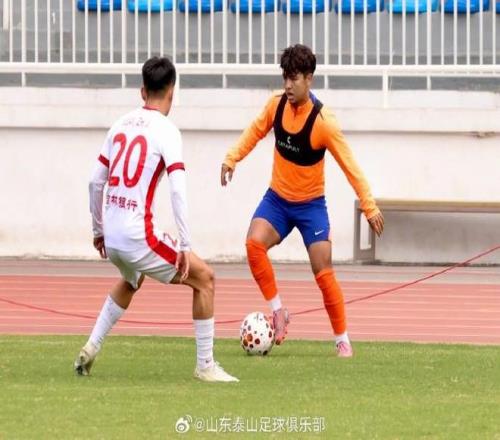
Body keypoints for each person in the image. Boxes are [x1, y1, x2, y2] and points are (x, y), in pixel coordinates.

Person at [74, 56, 238, 382]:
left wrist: (98, 231)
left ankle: (90, 347)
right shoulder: (167, 131)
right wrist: (185, 244)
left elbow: (95, 182)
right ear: (172, 92)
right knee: (205, 279)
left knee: (132, 279)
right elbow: (178, 190)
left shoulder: (119, 124)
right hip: (138, 235)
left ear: (142, 90)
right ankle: (205, 366)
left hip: (113, 236)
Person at [220, 44, 384, 357]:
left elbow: (350, 165)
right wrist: (232, 158)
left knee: (323, 271)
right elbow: (253, 132)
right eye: (285, 77)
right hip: (277, 202)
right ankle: (278, 311)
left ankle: (342, 339)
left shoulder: (324, 122)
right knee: (253, 244)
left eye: (294, 78)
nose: (288, 85)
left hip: (311, 207)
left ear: (309, 79)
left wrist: (369, 205)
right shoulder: (276, 106)